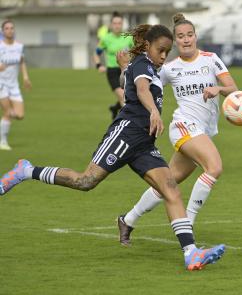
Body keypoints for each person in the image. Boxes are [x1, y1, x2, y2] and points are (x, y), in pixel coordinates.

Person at [0, 23, 225, 271]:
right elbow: (141, 89)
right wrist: (153, 111)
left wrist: (124, 69)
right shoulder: (142, 63)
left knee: (170, 189)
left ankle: (191, 253)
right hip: (125, 134)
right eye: (161, 50)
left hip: (143, 143)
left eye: (167, 51)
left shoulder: (144, 65)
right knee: (85, 181)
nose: (164, 56)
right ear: (148, 46)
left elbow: (130, 82)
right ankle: (25, 170)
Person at [116, 13, 238, 246]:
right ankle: (188, 224)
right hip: (183, 126)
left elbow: (233, 87)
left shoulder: (211, 59)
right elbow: (137, 83)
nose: (186, 40)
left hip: (202, 131)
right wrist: (125, 69)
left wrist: (218, 89)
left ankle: (127, 219)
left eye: (189, 35)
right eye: (180, 37)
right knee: (214, 167)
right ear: (175, 41)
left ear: (195, 36)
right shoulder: (169, 69)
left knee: (166, 184)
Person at [93, 12, 133, 119]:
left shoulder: (128, 37)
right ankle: (127, 121)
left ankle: (115, 108)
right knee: (123, 96)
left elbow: (137, 52)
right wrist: (99, 65)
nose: (117, 25)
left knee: (129, 96)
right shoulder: (106, 39)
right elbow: (96, 53)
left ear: (122, 24)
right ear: (111, 25)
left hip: (126, 70)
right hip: (113, 72)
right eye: (115, 23)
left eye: (119, 23)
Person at [0, 19, 32, 150]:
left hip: (14, 85)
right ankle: (3, 142)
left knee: (19, 115)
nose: (9, 30)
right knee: (7, 112)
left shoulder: (19, 46)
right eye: (6, 28)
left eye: (11, 28)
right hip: (1, 84)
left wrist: (25, 77)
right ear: (2, 31)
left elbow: (22, 62)